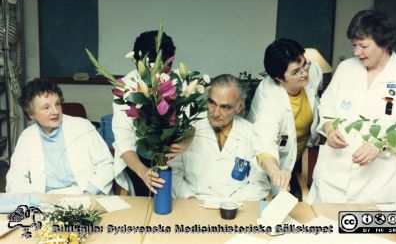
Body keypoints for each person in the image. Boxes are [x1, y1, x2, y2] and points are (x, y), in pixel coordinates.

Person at [309, 9, 396, 203]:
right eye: (354, 45)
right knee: (322, 229)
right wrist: (329, 128)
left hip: (377, 187)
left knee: (366, 233)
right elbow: (326, 105)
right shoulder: (346, 69)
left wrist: (381, 144)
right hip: (331, 179)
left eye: (364, 46)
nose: (356, 52)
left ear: (385, 43)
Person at [113, 30, 191, 195]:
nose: (158, 77)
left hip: (173, 158)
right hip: (137, 159)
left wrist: (184, 144)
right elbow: (124, 140)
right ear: (138, 65)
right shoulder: (127, 86)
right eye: (152, 71)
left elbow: (191, 125)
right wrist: (142, 172)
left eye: (164, 70)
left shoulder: (179, 81)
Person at [169, 74, 269, 200]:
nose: (215, 113)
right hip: (192, 204)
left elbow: (260, 185)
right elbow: (173, 172)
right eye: (212, 103)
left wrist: (230, 203)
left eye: (225, 107)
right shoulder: (188, 128)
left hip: (234, 207)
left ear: (239, 107)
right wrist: (189, 197)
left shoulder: (251, 134)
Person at [6, 78, 114, 194]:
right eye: (46, 107)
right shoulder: (27, 137)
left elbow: (106, 164)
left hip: (83, 194)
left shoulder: (82, 126)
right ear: (31, 113)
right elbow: (15, 178)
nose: (55, 111)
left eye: (57, 104)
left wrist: (89, 192)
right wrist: (36, 198)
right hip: (45, 200)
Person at [247, 39, 322, 196]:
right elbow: (264, 141)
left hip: (298, 155)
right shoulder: (270, 97)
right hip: (268, 158)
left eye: (304, 64)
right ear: (279, 78)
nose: (305, 73)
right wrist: (275, 172)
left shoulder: (312, 72)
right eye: (296, 72)